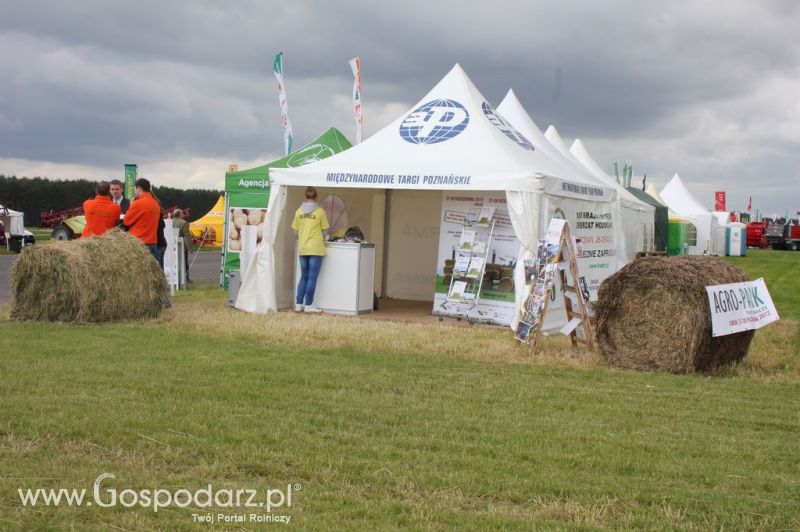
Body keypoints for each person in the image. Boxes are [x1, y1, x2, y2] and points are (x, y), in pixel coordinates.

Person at [292, 186, 329, 313]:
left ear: (306, 196)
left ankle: (298, 304)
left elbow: (294, 232)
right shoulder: (320, 212)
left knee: (304, 276)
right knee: (312, 277)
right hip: (316, 248)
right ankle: (308, 305)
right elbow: (325, 232)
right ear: (316, 196)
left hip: (303, 248)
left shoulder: (298, 212)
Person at [171, 209, 192, 282]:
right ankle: (186, 278)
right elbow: (187, 236)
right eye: (182, 214)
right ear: (179, 215)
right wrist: (190, 248)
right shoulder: (184, 223)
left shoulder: (169, 222)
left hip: (171, 246)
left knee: (173, 263)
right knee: (184, 262)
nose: (183, 215)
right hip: (181, 247)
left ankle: (174, 278)